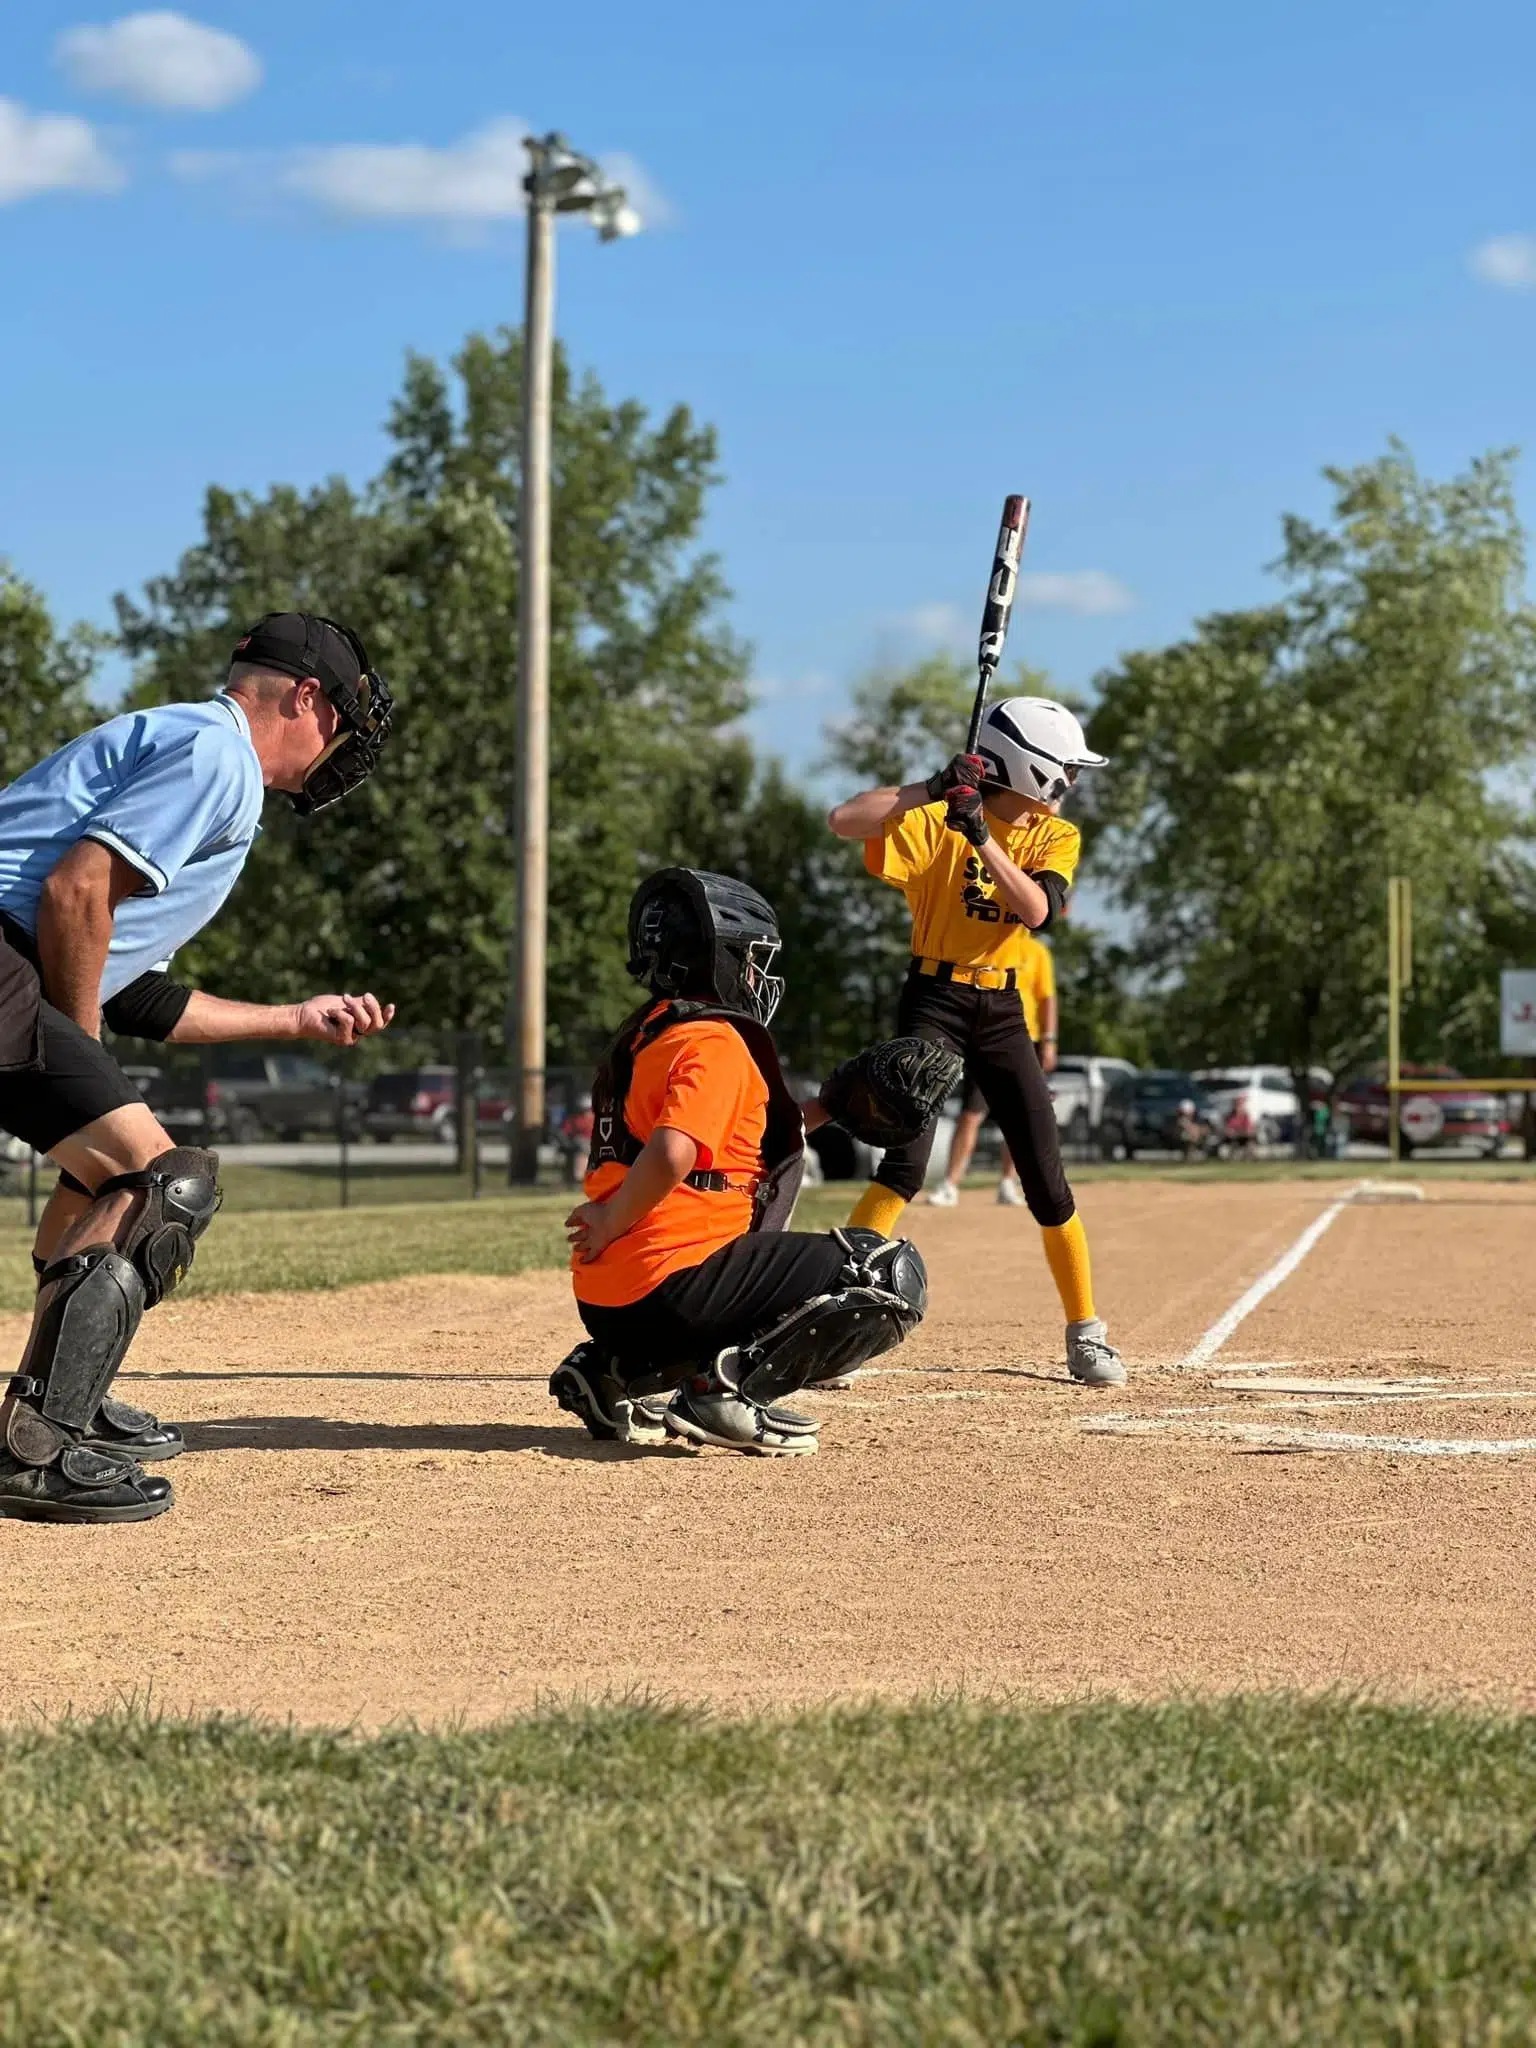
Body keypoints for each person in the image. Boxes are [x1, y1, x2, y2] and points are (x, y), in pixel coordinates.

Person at [0, 612, 396, 1522]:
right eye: (338, 718)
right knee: (160, 1181)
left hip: (16, 959)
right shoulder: (219, 758)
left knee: (101, 1175)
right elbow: (76, 892)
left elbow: (132, 987)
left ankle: (65, 1400)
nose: (337, 743)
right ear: (303, 697)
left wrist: (296, 1017)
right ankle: (35, 1445)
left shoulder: (190, 748)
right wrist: (80, 1046)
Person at [550, 868, 930, 1457]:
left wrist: (828, 1108)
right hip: (672, 1284)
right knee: (883, 1272)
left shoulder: (648, 1035)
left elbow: (732, 1139)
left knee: (761, 1267)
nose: (758, 975)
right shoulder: (716, 1041)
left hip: (610, 1300)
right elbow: (674, 1151)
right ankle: (721, 1391)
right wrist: (613, 1218)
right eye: (750, 959)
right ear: (716, 960)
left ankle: (612, 1373)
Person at [827, 695, 1125, 1386]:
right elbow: (844, 819)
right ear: (1031, 768)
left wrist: (980, 834)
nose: (1071, 784)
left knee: (1045, 1179)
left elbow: (1038, 910)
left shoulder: (1054, 835)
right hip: (933, 999)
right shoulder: (935, 816)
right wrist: (935, 790)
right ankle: (841, 1323)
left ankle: (1086, 1331)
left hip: (1000, 1005)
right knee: (904, 1167)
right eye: (1065, 771)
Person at [928, 928, 1056, 1207]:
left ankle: (1008, 1183)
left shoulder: (1037, 953)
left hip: (1027, 1041)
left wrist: (1049, 1040)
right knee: (971, 1114)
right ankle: (950, 1183)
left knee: (1019, 1118)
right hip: (985, 1038)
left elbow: (1047, 998)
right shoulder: (990, 945)